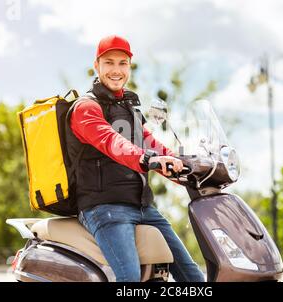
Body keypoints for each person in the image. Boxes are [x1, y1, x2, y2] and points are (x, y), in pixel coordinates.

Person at [66, 35, 205, 282]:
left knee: (193, 278)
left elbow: (151, 144)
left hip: (142, 208)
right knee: (130, 281)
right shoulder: (85, 108)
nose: (116, 70)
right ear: (96, 66)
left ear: (129, 67)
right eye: (109, 63)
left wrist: (188, 167)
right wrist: (146, 159)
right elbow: (112, 142)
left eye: (123, 63)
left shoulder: (129, 107)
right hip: (104, 207)